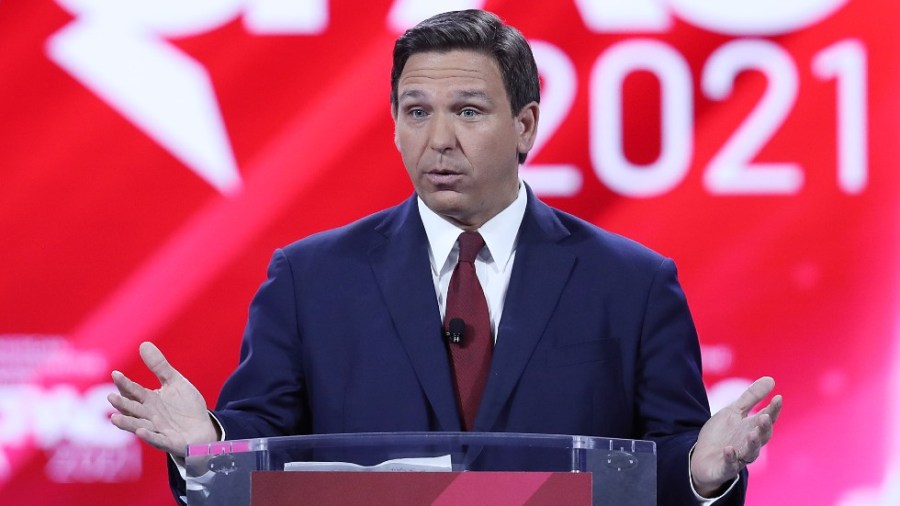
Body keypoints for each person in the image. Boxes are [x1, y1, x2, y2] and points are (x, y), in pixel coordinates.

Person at [108, 9, 781, 506]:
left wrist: (702, 472)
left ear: (524, 126)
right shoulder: (310, 279)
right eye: (415, 111)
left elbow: (666, 463)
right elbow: (266, 449)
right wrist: (212, 438)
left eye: (467, 110)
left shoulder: (633, 284)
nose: (438, 140)